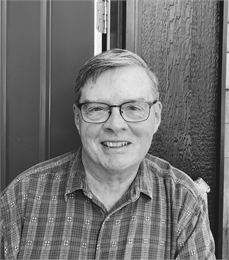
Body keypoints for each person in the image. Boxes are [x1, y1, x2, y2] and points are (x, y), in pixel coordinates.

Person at [0, 48, 215, 259]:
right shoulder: (22, 198)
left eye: (133, 107)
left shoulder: (183, 203)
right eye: (97, 108)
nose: (115, 124)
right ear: (78, 118)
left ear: (156, 117)